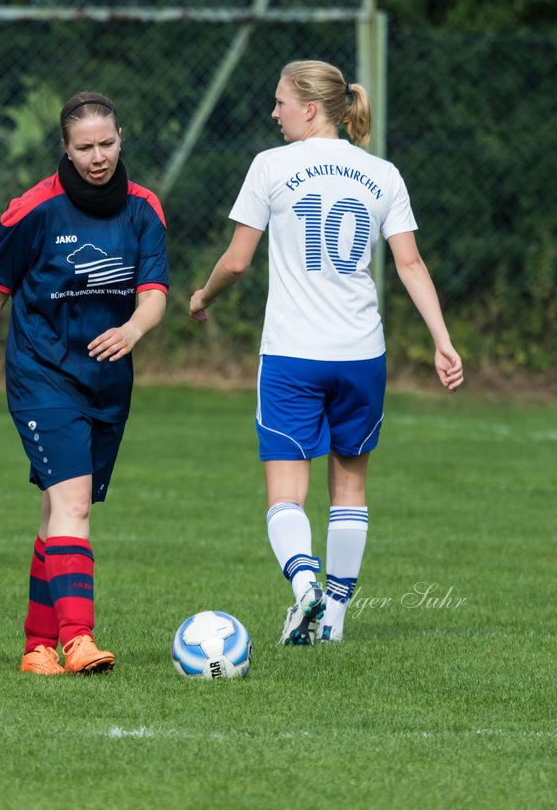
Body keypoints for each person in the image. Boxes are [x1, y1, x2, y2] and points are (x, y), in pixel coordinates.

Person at [189, 60, 463, 646]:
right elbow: (410, 264)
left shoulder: (270, 166)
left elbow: (236, 261)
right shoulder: (382, 173)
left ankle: (304, 586)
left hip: (293, 354)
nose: (274, 112)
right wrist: (443, 340)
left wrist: (203, 294)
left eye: (281, 101)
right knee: (351, 487)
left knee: (287, 489)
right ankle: (333, 620)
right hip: (362, 354)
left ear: (310, 109)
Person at [0, 92, 168, 675]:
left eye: (107, 144)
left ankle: (36, 645)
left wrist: (132, 330)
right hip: (41, 376)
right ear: (65, 150)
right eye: (84, 147)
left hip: (108, 381)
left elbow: (153, 296)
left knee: (58, 510)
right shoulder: (33, 211)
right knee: (73, 503)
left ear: (121, 138)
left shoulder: (144, 209)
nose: (97, 157)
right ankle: (78, 639)